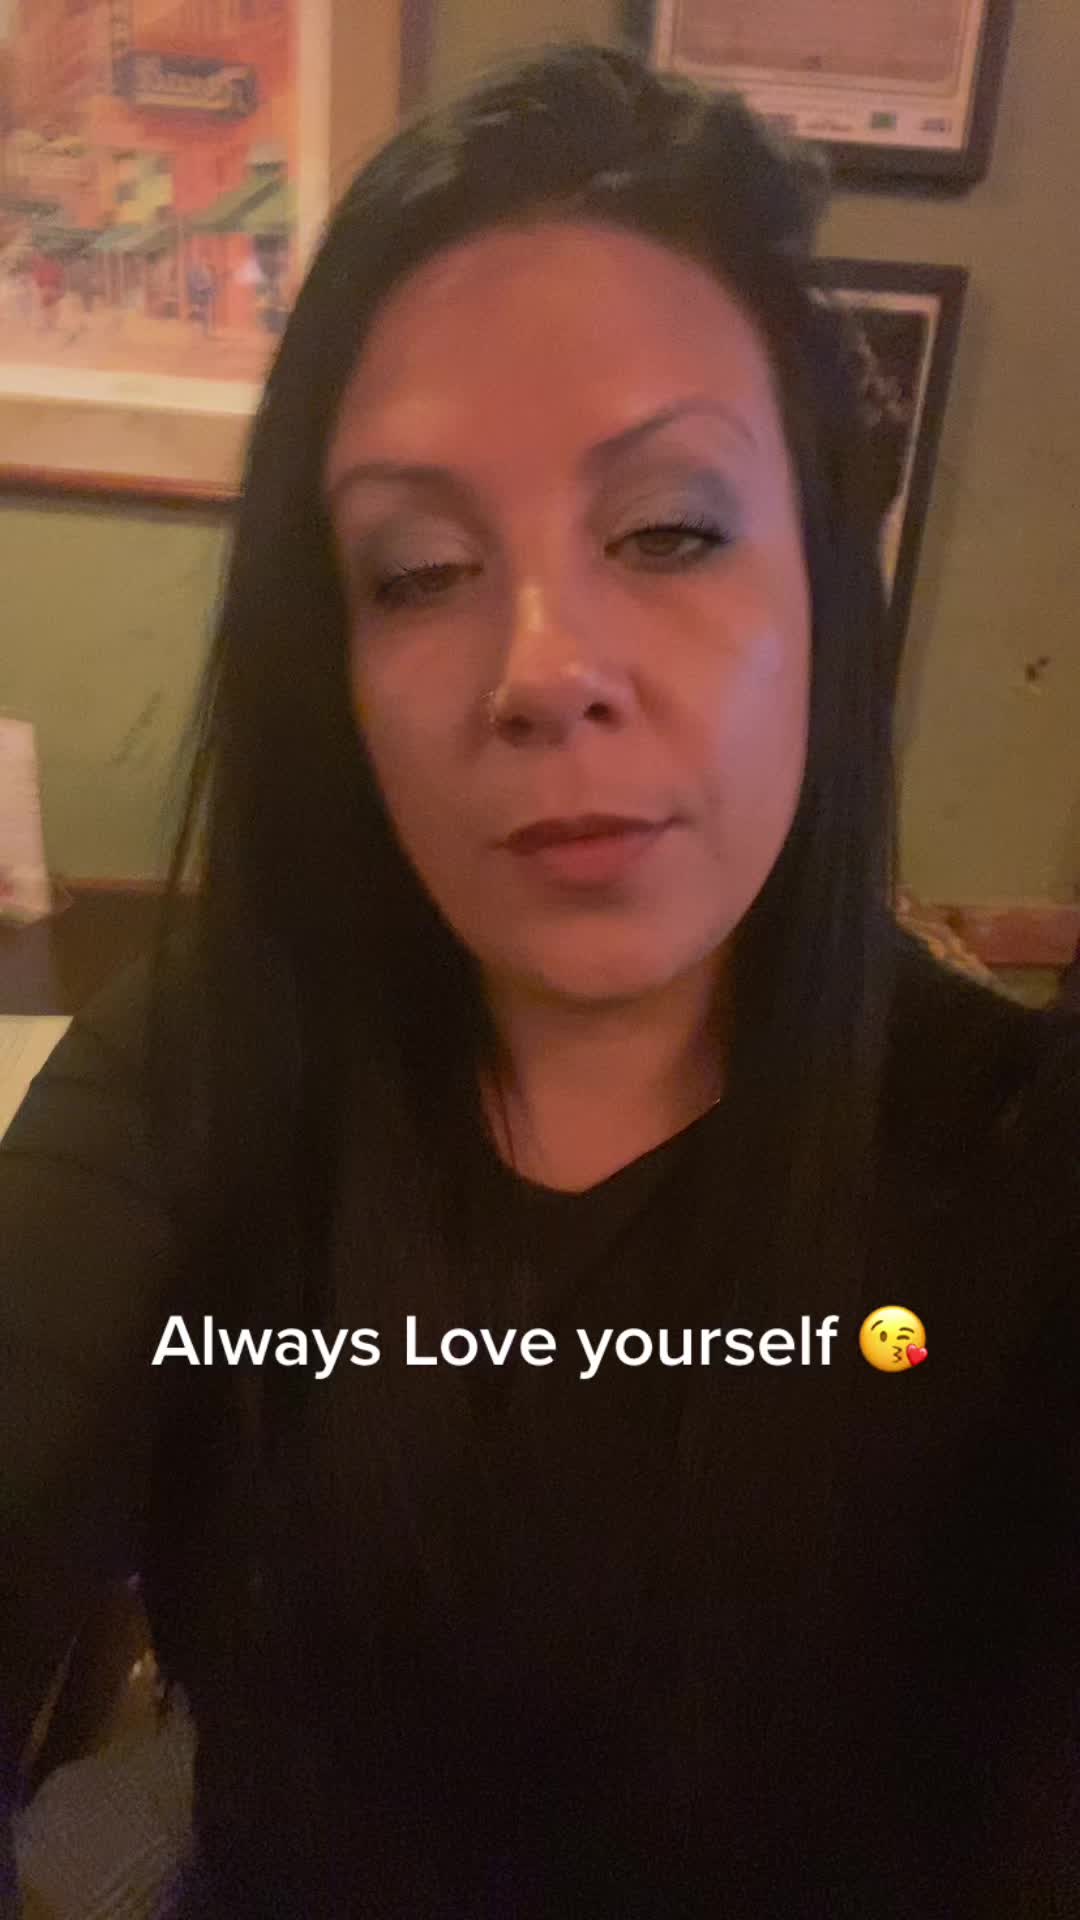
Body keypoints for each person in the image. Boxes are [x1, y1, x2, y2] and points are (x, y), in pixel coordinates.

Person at [2, 41, 1079, 1920]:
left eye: (669, 530)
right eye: (419, 569)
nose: (543, 669)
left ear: (825, 589)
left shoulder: (1022, 1166)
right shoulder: (198, 1079)